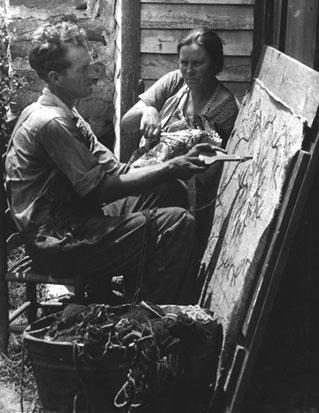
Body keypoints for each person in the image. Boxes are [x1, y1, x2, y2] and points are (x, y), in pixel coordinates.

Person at [5, 21, 218, 305]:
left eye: (90, 64)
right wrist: (171, 165)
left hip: (77, 217)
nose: (93, 75)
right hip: (60, 242)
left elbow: (117, 172)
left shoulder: (68, 111)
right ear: (56, 77)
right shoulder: (52, 122)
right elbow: (102, 190)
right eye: (82, 69)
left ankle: (135, 296)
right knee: (177, 223)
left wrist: (175, 159)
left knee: (168, 191)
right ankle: (152, 319)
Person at [122, 27, 239, 260]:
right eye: (184, 62)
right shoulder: (175, 83)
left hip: (188, 193)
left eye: (198, 63)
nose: (189, 70)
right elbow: (127, 124)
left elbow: (216, 166)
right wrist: (149, 109)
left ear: (215, 64)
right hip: (149, 174)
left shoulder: (225, 107)